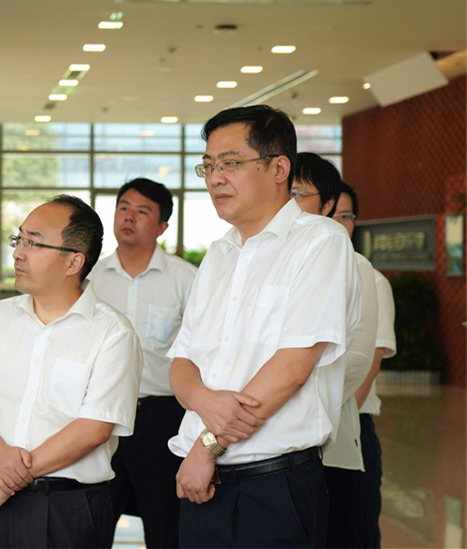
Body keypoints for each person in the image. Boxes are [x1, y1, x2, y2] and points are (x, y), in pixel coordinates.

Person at [168, 105, 361, 548]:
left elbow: (291, 368)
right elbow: (182, 362)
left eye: (230, 163)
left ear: (278, 168)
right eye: (208, 166)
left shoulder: (320, 242)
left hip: (273, 486)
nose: (215, 178)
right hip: (200, 483)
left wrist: (207, 445)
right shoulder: (218, 254)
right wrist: (201, 399)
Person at [0, 195, 142, 548]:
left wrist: (7, 479)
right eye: (18, 239)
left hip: (66, 508)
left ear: (74, 261)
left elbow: (93, 429)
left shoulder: (112, 333)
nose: (17, 253)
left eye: (33, 243)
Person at [87, 178, 196, 547]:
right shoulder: (89, 278)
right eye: (123, 207)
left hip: (161, 419)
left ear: (162, 226)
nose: (129, 217)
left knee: (165, 526)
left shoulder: (186, 280)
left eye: (142, 211)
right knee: (93, 522)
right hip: (99, 417)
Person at [292, 153, 378, 548]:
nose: (287, 202)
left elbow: (357, 361)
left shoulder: (355, 266)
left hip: (329, 446)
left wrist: (288, 408)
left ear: (326, 204)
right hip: (265, 450)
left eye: (298, 194)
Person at [335, 181, 397, 548]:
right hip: (312, 436)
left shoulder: (371, 279)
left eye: (347, 216)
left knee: (357, 535)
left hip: (352, 426)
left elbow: (367, 368)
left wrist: (328, 424)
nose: (340, 224)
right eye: (333, 214)